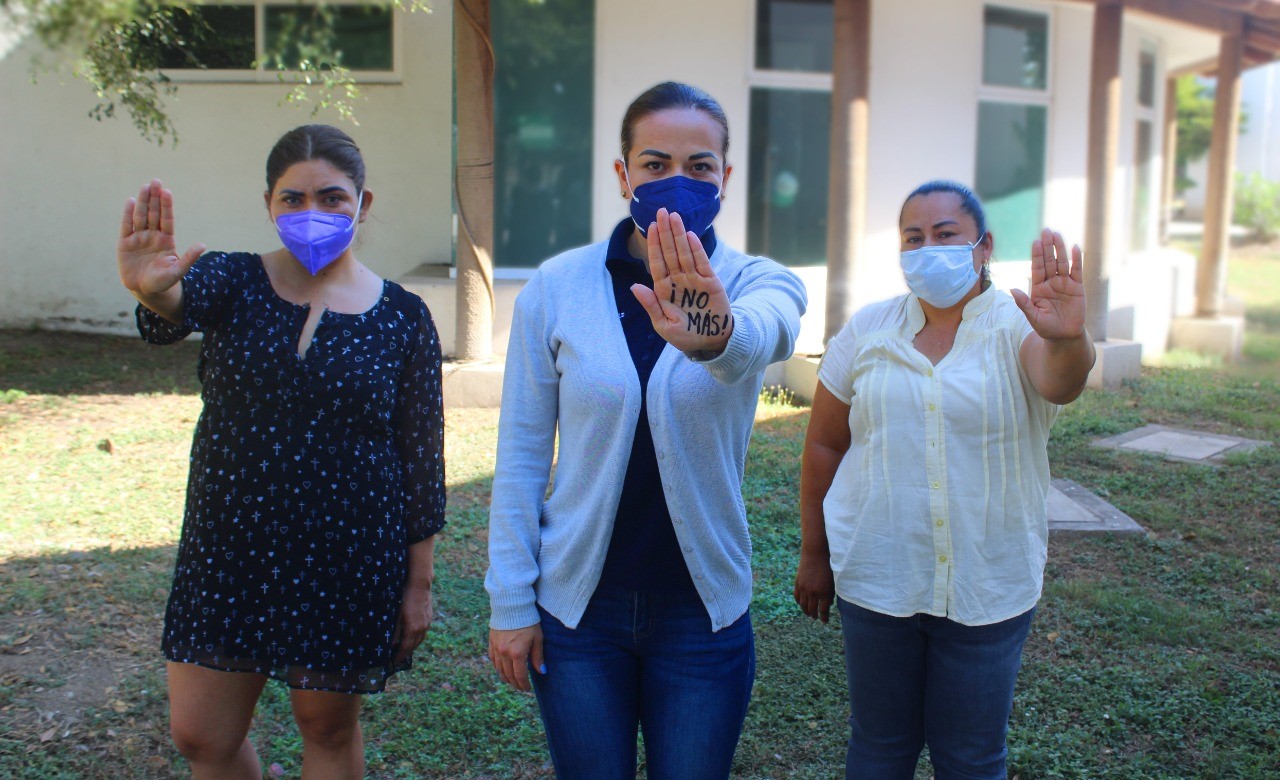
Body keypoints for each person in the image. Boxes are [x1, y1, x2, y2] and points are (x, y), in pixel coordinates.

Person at [485, 81, 808, 779]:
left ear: (726, 177)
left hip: (701, 612)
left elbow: (768, 331)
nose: (677, 181)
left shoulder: (757, 280)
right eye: (655, 163)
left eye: (700, 166)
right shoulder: (556, 285)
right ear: (623, 173)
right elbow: (519, 454)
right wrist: (510, 599)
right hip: (579, 612)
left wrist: (717, 335)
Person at [116, 124, 445, 779]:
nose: (311, 213)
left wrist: (419, 582)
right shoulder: (231, 280)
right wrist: (151, 290)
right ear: (269, 203)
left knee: (325, 728)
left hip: (346, 555)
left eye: (331, 197)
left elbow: (419, 459)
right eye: (292, 199)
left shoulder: (404, 317)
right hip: (228, 548)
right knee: (201, 736)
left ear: (364, 202)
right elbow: (172, 308)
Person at [793, 180, 1095, 780]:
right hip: (879, 577)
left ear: (982, 248)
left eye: (945, 234)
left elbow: (1060, 380)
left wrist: (1068, 339)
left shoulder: (1021, 325)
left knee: (972, 758)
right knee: (880, 747)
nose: (927, 248)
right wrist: (814, 554)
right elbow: (826, 443)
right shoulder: (868, 330)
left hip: (988, 584)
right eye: (914, 237)